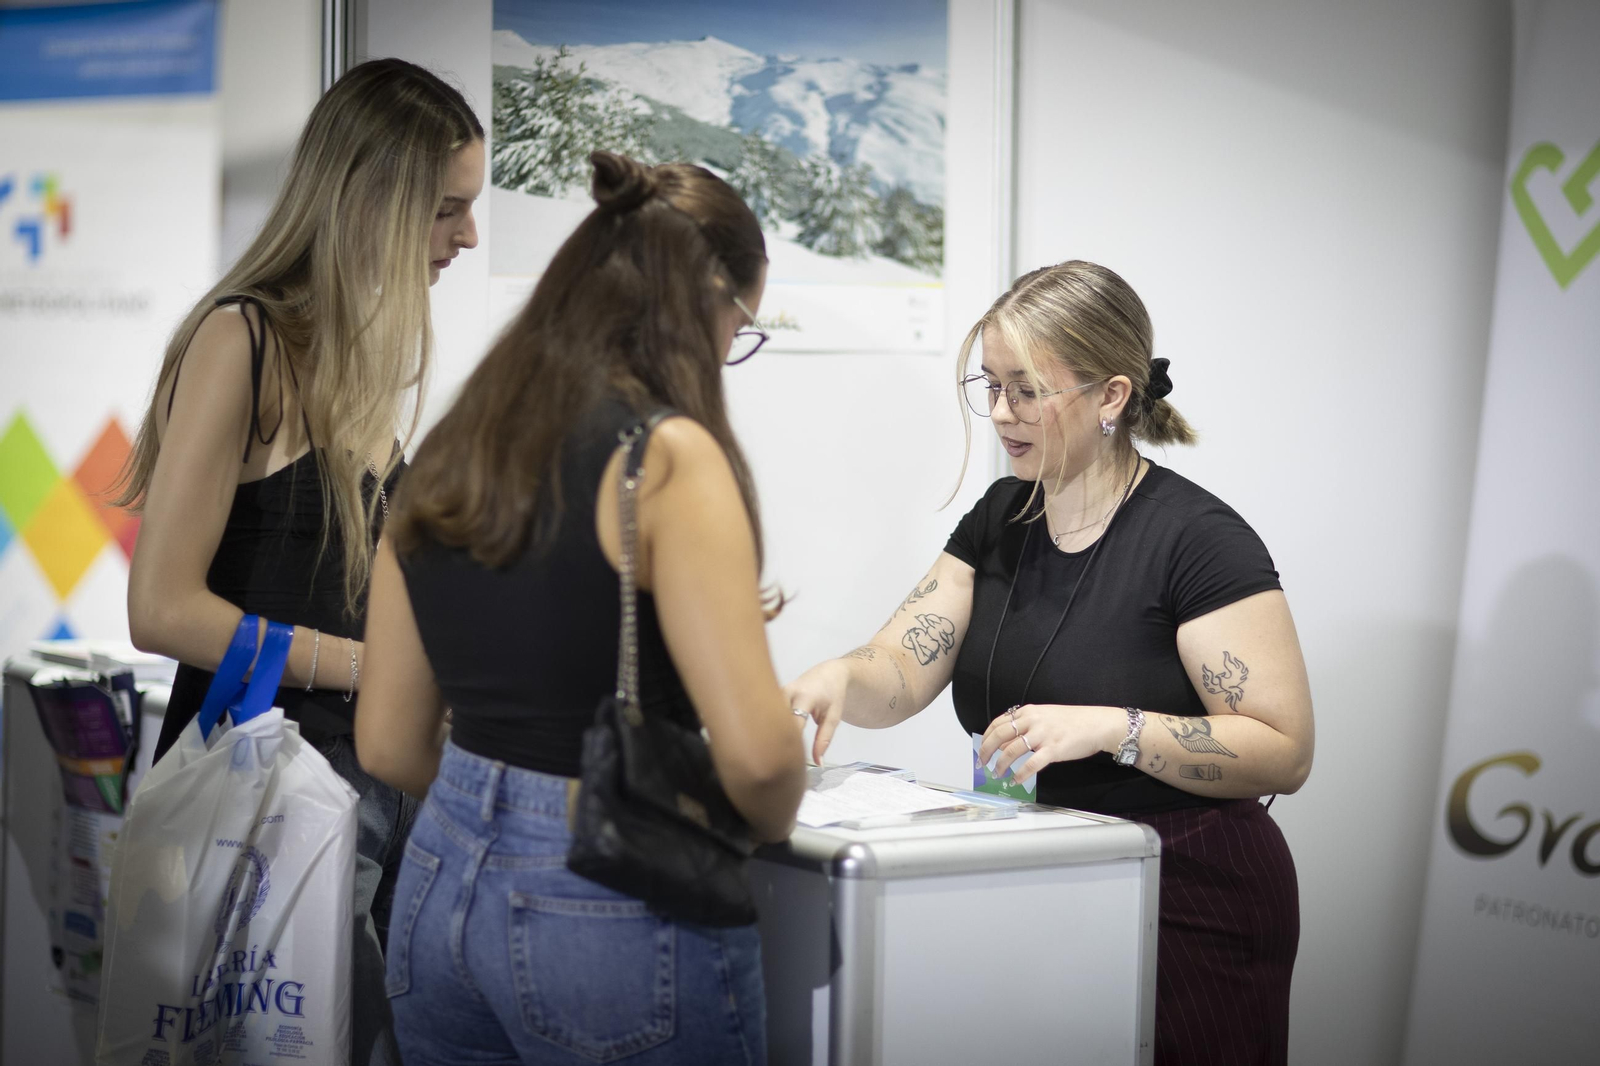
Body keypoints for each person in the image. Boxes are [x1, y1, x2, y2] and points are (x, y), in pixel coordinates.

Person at [786, 260, 1314, 1065]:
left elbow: (1284, 748)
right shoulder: (1002, 516)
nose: (1002, 413)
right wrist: (839, 678)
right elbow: (903, 664)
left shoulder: (1198, 540)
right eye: (990, 386)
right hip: (1047, 872)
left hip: (1192, 888)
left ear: (1111, 395)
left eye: (1027, 389)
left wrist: (1112, 727)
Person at [355, 150, 808, 1066]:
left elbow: (389, 745)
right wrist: (763, 817)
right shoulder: (665, 456)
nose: (730, 352)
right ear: (704, 305)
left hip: (435, 888)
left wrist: (497, 803)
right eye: (739, 325)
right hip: (602, 892)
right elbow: (760, 761)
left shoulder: (447, 450)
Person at [117, 58, 484, 1065]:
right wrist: (369, 667)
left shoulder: (363, 357)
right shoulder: (242, 340)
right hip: (268, 806)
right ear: (373, 197)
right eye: (447, 209)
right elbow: (161, 607)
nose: (468, 237)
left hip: (361, 801)